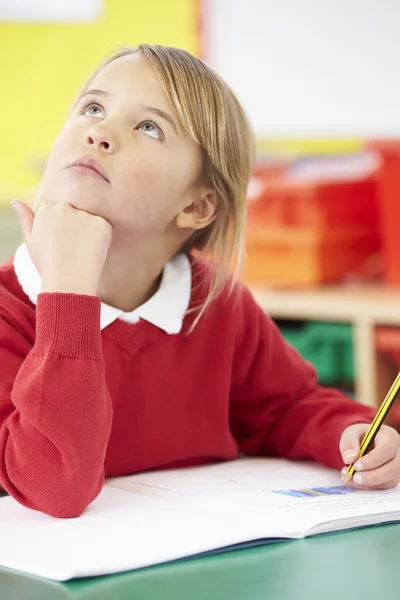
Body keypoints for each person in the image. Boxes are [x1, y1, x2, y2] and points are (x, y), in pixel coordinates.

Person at [1, 44, 399, 519]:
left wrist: (351, 433)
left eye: (148, 127)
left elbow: (286, 407)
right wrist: (68, 289)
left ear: (196, 206)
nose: (99, 133)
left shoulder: (215, 303)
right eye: (93, 107)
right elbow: (56, 487)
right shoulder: (8, 311)